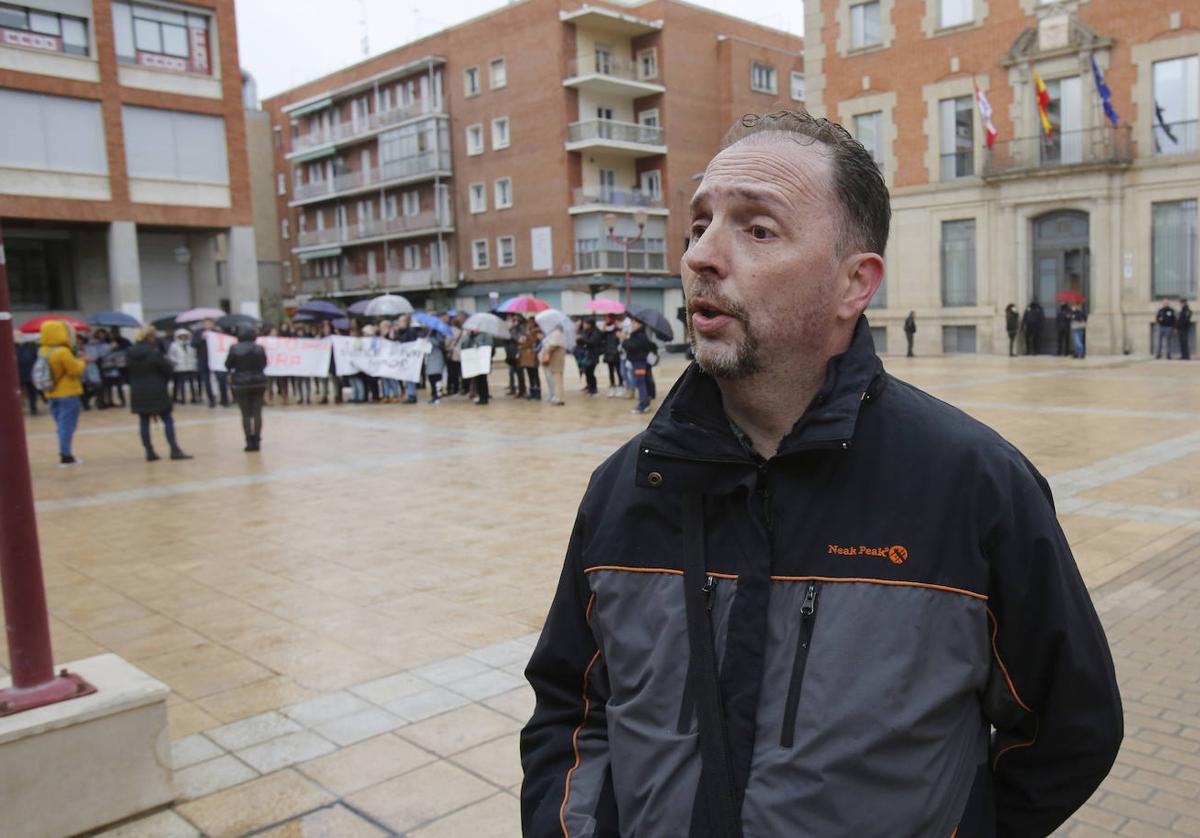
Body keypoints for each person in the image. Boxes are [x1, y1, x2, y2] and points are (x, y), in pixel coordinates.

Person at [521, 110, 1122, 836]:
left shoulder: (973, 485)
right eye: (700, 223)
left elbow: (1070, 728)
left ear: (853, 285)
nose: (702, 256)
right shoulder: (626, 488)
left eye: (756, 229)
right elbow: (572, 712)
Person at [126, 325, 192, 461]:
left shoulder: (130, 352)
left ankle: (149, 451)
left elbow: (127, 371)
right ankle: (174, 449)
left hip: (138, 390)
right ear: (150, 336)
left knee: (144, 421)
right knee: (167, 419)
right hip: (157, 388)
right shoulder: (153, 352)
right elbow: (166, 370)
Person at [39, 320, 87, 465]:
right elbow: (75, 370)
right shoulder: (62, 352)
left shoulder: (43, 351)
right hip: (68, 393)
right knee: (67, 425)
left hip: (51, 392)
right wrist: (82, 361)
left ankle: (64, 450)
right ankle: (66, 455)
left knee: (60, 424)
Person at [225, 324, 268, 451]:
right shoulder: (259, 348)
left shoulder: (234, 348)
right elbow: (264, 364)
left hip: (240, 383)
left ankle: (249, 440)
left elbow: (228, 364)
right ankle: (257, 439)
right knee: (257, 413)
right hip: (258, 382)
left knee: (245, 414)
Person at [622, 317, 654, 414]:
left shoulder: (640, 335)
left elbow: (631, 347)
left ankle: (643, 405)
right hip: (639, 362)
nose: (632, 325)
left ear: (640, 324)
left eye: (634, 323)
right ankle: (645, 404)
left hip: (639, 363)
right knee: (642, 382)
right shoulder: (639, 334)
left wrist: (624, 340)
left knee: (640, 382)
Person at [168, 328, 199, 403]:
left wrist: (195, 361)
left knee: (192, 383)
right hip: (179, 367)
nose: (183, 337)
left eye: (185, 336)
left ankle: (194, 398)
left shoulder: (191, 344)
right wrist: (175, 362)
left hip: (191, 366)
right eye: (181, 336)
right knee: (181, 383)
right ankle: (182, 398)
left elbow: (195, 354)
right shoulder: (174, 345)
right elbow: (171, 355)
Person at [541, 323, 568, 406]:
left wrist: (546, 349)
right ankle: (559, 397)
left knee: (557, 378)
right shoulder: (561, 333)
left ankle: (560, 398)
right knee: (558, 378)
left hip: (556, 358)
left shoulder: (557, 333)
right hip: (558, 358)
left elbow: (553, 345)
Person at [16, 337, 41, 416]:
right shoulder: (33, 348)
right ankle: (32, 409)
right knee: (31, 393)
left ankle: (30, 408)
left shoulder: (18, 348)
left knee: (26, 392)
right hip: (29, 374)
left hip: (23, 375)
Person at [517, 321, 541, 401]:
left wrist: (522, 344)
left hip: (532, 356)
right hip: (527, 357)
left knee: (535, 375)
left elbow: (532, 342)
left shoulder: (536, 332)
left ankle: (537, 394)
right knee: (530, 375)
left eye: (530, 322)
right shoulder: (528, 332)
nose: (529, 324)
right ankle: (532, 393)